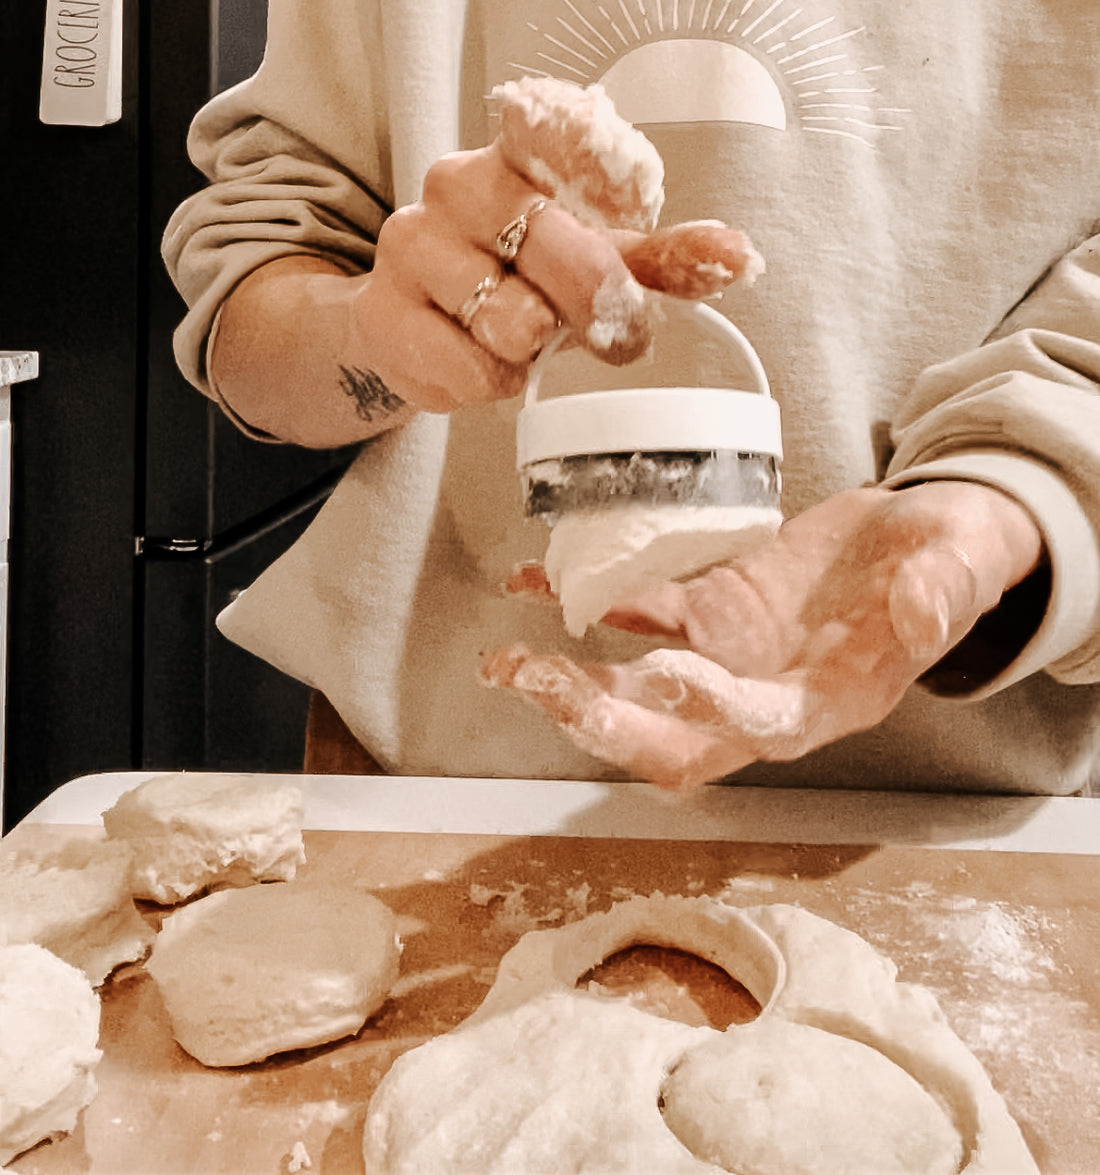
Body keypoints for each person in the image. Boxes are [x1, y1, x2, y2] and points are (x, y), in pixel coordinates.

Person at [163, 0, 1100, 795]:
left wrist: (1006, 498)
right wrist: (378, 334)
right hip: (450, 782)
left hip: (978, 797)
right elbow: (256, 293)